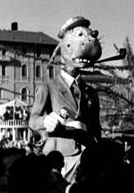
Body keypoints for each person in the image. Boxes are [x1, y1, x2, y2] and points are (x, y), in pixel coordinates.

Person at [29, 16, 102, 183]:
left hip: (88, 160)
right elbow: (32, 120)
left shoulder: (90, 93)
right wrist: (45, 121)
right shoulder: (49, 87)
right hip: (60, 160)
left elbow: (96, 127)